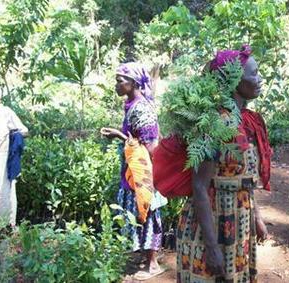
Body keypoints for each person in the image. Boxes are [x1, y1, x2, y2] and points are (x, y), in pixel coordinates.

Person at [176, 45, 272, 283]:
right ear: (236, 80)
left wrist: (256, 216)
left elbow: (245, 176)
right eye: (255, 74)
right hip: (213, 219)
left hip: (239, 217)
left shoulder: (247, 121)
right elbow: (199, 186)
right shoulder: (214, 123)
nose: (259, 79)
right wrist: (211, 247)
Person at [101, 62, 164, 280]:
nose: (116, 85)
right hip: (133, 168)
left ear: (133, 83)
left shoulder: (141, 109)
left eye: (120, 81)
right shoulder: (131, 104)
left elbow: (151, 147)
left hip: (143, 171)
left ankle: (153, 264)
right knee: (138, 211)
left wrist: (119, 136)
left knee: (147, 210)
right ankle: (145, 257)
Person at [0, 82, 28, 227]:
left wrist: (15, 136)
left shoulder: (6, 112)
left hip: (1, 159)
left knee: (3, 192)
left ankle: (7, 226)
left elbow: (24, 130)